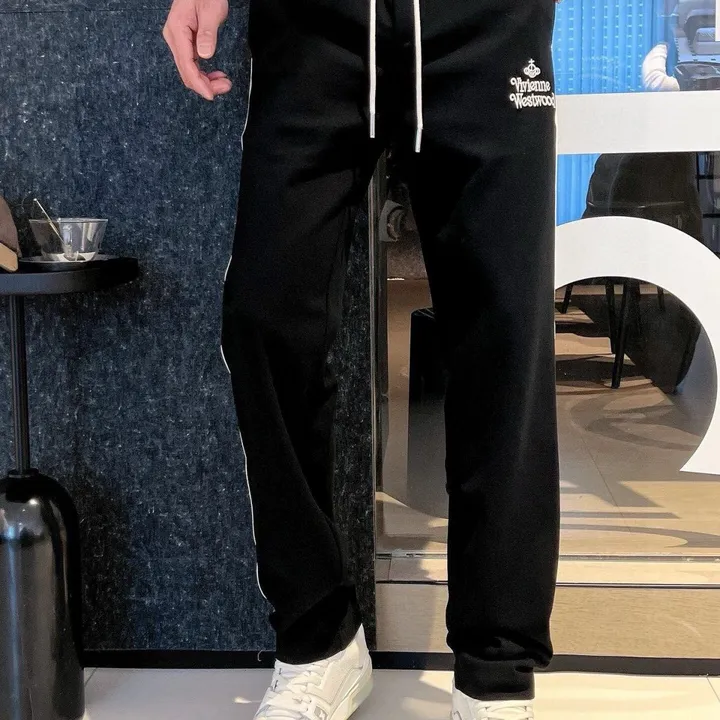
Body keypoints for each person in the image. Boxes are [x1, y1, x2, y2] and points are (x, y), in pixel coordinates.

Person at [163, 0, 560, 717]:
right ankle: (319, 639)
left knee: (503, 334)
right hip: (315, 27)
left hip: (483, 25)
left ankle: (495, 673)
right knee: (265, 318)